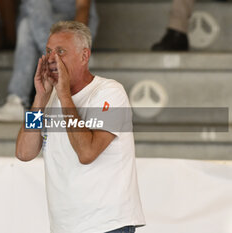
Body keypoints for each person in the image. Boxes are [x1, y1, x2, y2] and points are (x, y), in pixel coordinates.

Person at [15, 21, 145, 233]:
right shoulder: (49, 97)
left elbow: (87, 152)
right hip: (65, 227)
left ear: (84, 56)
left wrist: (64, 94)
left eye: (61, 51)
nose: (51, 59)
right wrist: (39, 98)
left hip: (107, 225)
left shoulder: (110, 92)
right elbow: (24, 152)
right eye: (48, 52)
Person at [0, 0, 98, 122]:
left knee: (30, 17)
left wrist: (74, 43)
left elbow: (83, 8)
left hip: (73, 26)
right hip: (41, 23)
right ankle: (60, 67)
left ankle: (18, 99)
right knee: (27, 23)